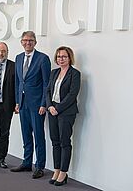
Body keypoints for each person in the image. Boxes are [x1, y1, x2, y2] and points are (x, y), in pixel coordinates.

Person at [10, 31, 51, 179]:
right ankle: (27, 162)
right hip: (22, 104)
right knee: (26, 135)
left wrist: (43, 104)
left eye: (31, 40)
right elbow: (18, 82)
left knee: (39, 136)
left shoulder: (43, 59)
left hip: (37, 105)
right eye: (25, 40)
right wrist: (16, 101)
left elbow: (47, 84)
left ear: (35, 42)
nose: (28, 43)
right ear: (21, 42)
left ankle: (39, 166)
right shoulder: (18, 58)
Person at [46, 46, 81, 186]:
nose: (61, 59)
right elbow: (47, 90)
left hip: (66, 112)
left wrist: (57, 109)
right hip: (52, 109)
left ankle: (63, 172)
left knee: (64, 142)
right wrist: (49, 106)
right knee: (55, 141)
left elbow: (72, 95)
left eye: (64, 57)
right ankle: (56, 169)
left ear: (69, 58)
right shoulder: (54, 72)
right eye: (59, 56)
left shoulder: (75, 74)